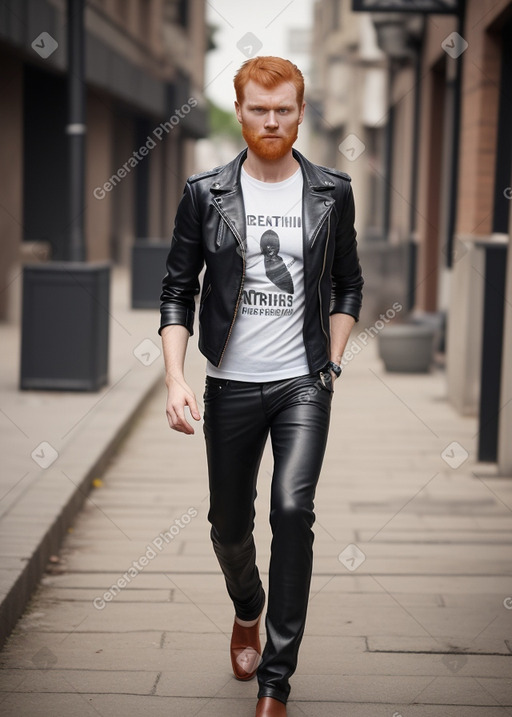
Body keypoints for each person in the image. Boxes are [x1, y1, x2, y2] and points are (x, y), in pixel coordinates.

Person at [158, 56, 364, 717]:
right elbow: (176, 289)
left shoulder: (333, 191)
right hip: (230, 386)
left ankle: (276, 680)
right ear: (240, 111)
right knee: (228, 525)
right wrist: (174, 377)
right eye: (258, 108)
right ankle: (248, 605)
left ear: (301, 112)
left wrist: (330, 361)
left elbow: (349, 282)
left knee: (292, 512)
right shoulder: (204, 192)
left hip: (303, 382)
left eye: (284, 108)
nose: (271, 120)